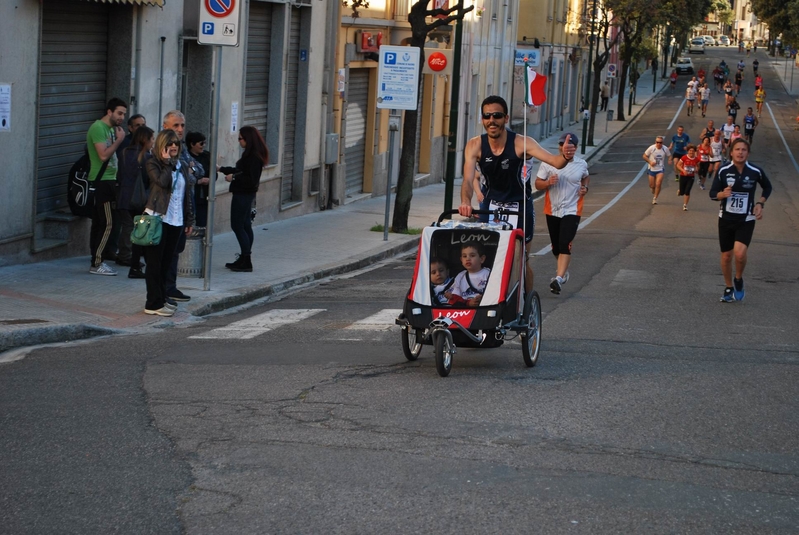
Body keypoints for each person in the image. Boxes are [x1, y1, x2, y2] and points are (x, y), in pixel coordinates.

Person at [459, 95, 576, 292]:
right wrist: (465, 202)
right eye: (487, 116)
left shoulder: (522, 143)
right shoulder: (475, 145)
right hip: (491, 207)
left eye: (497, 115)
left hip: (519, 206)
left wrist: (565, 155)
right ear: (482, 119)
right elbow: (468, 180)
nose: (491, 121)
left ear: (506, 118)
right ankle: (493, 302)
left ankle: (526, 306)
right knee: (489, 258)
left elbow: (555, 162)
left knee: (521, 260)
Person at [709, 138, 772, 303]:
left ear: (748, 153)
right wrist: (721, 195)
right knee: (726, 256)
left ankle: (738, 278)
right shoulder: (723, 170)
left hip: (746, 218)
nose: (740, 152)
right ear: (731, 152)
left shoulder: (755, 171)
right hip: (726, 218)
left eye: (744, 150)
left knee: (740, 253)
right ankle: (729, 287)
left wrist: (760, 203)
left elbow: (767, 187)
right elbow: (713, 193)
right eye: (737, 149)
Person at [142, 129, 195, 316]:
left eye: (176, 144)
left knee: (166, 263)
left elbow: (186, 194)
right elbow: (162, 183)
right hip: (158, 219)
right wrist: (166, 163)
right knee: (154, 264)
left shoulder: (180, 164)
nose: (173, 146)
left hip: (176, 220)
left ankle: (162, 298)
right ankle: (152, 303)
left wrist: (189, 219)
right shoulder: (153, 163)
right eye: (169, 143)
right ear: (162, 145)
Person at [534, 132, 590, 295]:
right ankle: (563, 272)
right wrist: (547, 182)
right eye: (562, 145)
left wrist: (585, 188)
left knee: (565, 243)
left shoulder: (581, 164)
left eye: (570, 146)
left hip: (572, 209)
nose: (565, 148)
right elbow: (537, 184)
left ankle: (558, 278)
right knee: (556, 247)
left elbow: (586, 177)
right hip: (552, 209)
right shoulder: (548, 163)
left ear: (576, 148)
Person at [162, 110, 204, 302]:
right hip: (164, 212)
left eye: (182, 125)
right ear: (165, 127)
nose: (180, 130)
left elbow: (198, 170)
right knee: (163, 254)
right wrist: (189, 170)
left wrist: (190, 169)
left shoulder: (183, 149)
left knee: (176, 251)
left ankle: (170, 287)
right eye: (175, 125)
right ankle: (161, 291)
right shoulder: (160, 149)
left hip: (182, 211)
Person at [219, 125, 269, 272]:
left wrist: (233, 178)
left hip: (243, 195)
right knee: (245, 226)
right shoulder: (251, 155)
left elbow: (250, 179)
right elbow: (241, 171)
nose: (239, 142)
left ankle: (246, 260)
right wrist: (222, 169)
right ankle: (244, 258)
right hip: (246, 194)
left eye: (240, 138)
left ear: (248, 139)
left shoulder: (253, 156)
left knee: (238, 226)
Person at [86, 97, 127, 276]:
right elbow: (103, 156)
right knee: (107, 224)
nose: (122, 117)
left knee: (100, 223)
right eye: (119, 113)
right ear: (109, 112)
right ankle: (97, 263)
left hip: (109, 180)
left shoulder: (111, 129)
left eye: (124, 114)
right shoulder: (98, 128)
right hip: (102, 181)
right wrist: (119, 140)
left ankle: (96, 260)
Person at [116, 125, 154, 279]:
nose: (153, 142)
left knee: (127, 226)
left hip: (124, 197)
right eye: (151, 139)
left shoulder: (124, 153)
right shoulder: (146, 157)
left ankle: (125, 255)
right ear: (145, 140)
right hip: (139, 199)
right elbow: (148, 180)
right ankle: (131, 260)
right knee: (138, 230)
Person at [186, 131, 211, 228]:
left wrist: (210, 179)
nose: (203, 146)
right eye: (201, 143)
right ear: (192, 144)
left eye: (204, 143)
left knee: (203, 223)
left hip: (204, 196)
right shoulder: (187, 157)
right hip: (191, 195)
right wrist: (198, 181)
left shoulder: (207, 156)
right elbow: (187, 176)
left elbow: (213, 173)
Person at [642, 136, 671, 205]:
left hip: (660, 169)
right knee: (652, 185)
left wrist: (670, 160)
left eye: (660, 142)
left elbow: (669, 155)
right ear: (655, 142)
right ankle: (653, 189)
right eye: (657, 142)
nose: (659, 144)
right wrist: (650, 162)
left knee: (658, 183)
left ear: (662, 143)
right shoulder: (652, 148)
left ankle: (655, 198)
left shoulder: (665, 149)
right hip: (652, 169)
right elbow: (644, 156)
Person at [676, 144, 700, 211]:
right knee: (682, 193)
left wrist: (697, 169)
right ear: (687, 151)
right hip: (683, 176)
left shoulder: (696, 159)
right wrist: (683, 170)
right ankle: (680, 190)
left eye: (692, 151)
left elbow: (698, 166)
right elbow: (678, 165)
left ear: (695, 152)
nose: (691, 152)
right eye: (690, 151)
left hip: (691, 177)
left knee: (687, 191)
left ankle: (685, 205)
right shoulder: (684, 157)